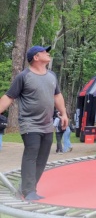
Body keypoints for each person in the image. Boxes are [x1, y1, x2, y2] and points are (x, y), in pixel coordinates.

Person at [0, 45, 68, 201]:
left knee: (42, 157)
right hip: (29, 123)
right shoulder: (23, 76)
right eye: (44, 52)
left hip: (47, 124)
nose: (48, 53)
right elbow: (8, 97)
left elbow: (57, 96)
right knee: (32, 153)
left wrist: (64, 113)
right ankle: (29, 191)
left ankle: (27, 187)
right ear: (36, 57)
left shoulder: (52, 76)